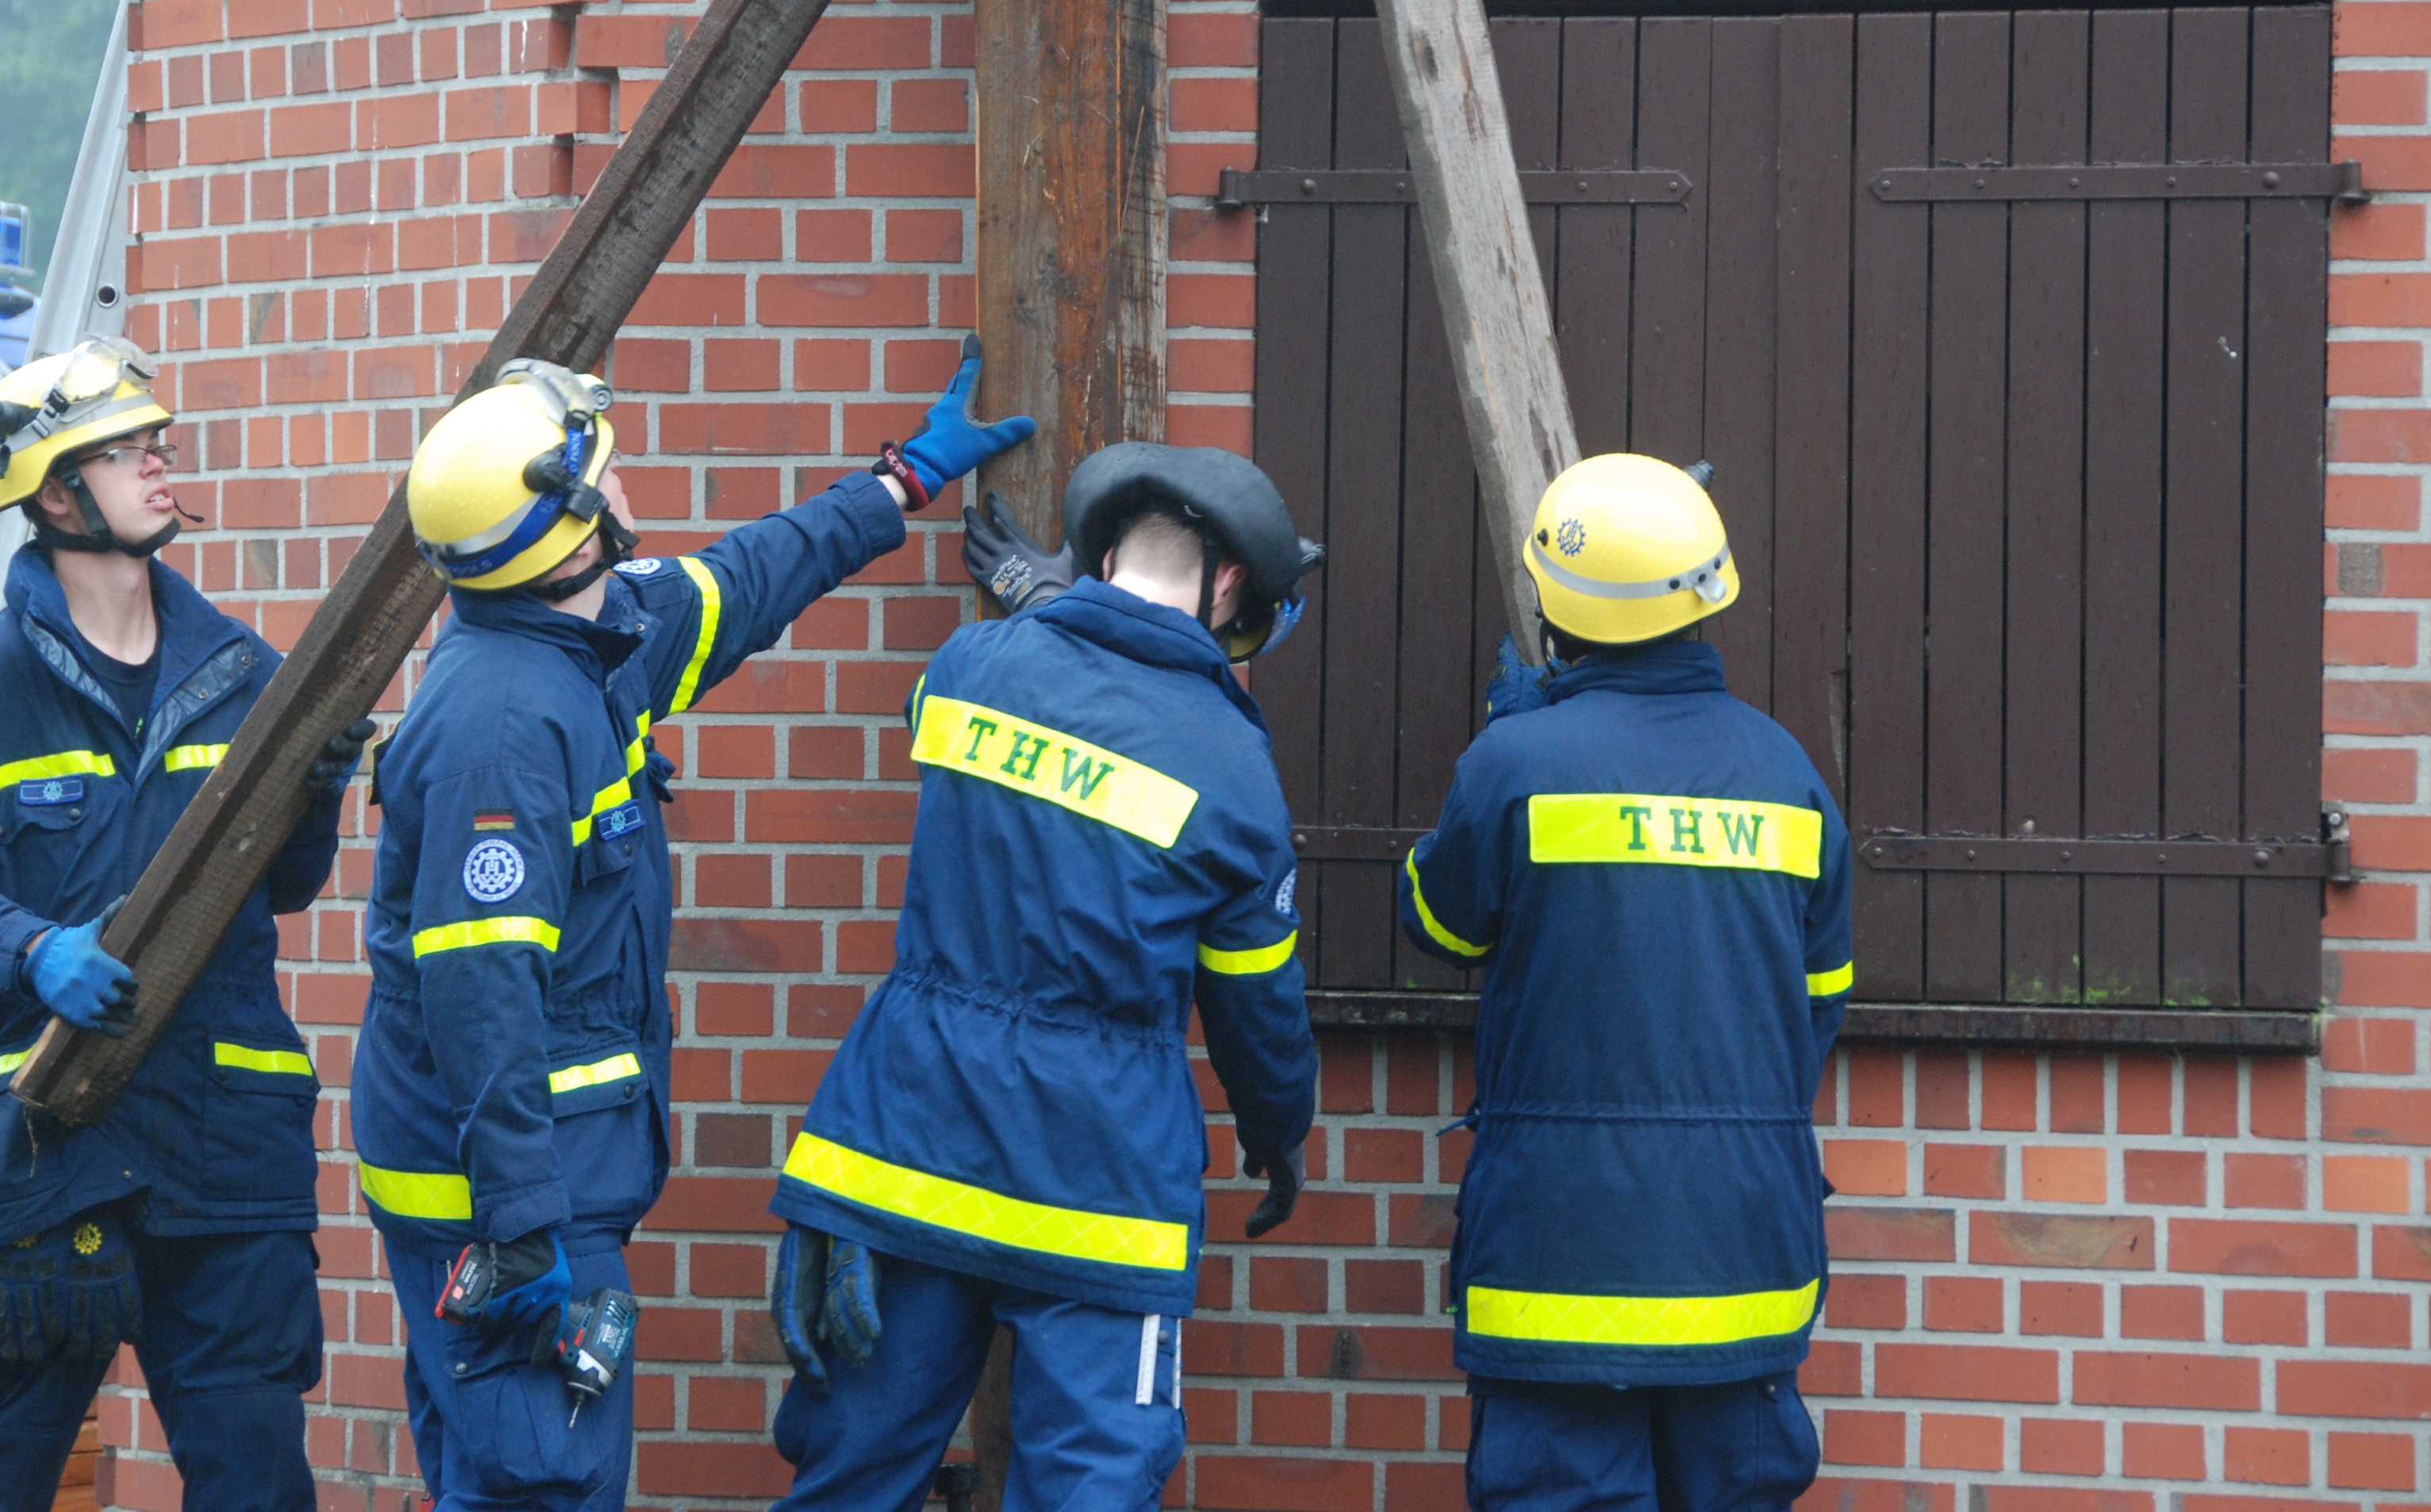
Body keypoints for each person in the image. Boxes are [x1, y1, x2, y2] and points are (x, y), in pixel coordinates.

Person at [354, 345, 1032, 1511]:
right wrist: (522, 1229)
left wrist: (902, 481)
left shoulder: (585, 639)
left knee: (510, 1483)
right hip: (509, 1207)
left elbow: (743, 582)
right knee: (543, 1486)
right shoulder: (508, 724)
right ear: (566, 533)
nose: (626, 488)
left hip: (540, 1185)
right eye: (604, 477)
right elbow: (482, 995)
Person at [763, 443, 1323, 1511]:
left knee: (852, 1477)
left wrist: (1046, 608)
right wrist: (1278, 1130)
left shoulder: (976, 664)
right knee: (1092, 1490)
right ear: (1236, 586)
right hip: (1098, 1184)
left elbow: (977, 730)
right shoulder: (1231, 762)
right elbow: (1256, 1005)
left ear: (1100, 552)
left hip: (902, 1151)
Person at [0, 339, 372, 1511]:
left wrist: (319, 789)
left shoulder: (248, 671)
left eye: (158, 444)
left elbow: (285, 888)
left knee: (256, 1488)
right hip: (53, 1154)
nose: (160, 466)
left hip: (226, 1150)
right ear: (56, 495)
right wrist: (33, 952)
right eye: (126, 452)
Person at [1398, 453, 1850, 1512]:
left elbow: (1436, 920)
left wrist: (1513, 733)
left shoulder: (1514, 763)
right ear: (1707, 598)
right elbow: (1817, 1004)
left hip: (1558, 1262)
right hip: (1744, 1255)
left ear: (1554, 612)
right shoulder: (1788, 776)